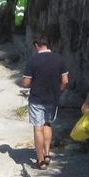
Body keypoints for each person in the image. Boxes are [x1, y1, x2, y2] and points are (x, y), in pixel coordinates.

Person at [20, 36, 69, 170]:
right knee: (48, 124)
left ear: (36, 45)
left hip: (37, 98)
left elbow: (26, 82)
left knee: (38, 128)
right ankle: (47, 153)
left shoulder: (33, 60)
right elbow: (65, 81)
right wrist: (58, 92)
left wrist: (24, 82)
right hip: (53, 99)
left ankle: (40, 161)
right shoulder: (59, 59)